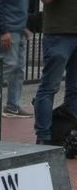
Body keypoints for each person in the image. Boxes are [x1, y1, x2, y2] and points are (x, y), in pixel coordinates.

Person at [32, 0, 77, 145]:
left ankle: (69, 134)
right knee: (49, 87)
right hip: (58, 34)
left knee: (75, 89)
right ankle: (44, 137)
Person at [0, 0, 33, 118]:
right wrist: (4, 31)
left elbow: (17, 8)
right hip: (9, 31)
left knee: (18, 69)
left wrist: (23, 27)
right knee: (8, 65)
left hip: (17, 30)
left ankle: (13, 106)